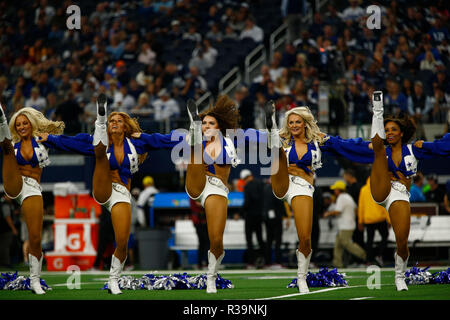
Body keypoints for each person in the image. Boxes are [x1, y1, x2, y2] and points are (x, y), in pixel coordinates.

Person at [39, 94, 182, 294]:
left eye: (118, 121)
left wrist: (190, 134)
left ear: (125, 126)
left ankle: (114, 279)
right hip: (103, 187)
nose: (115, 123)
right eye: (111, 121)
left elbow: (165, 140)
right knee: (99, 149)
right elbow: (71, 142)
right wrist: (51, 139)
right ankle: (99, 118)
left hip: (121, 192)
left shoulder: (137, 143)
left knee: (122, 240)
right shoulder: (96, 141)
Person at [263, 102, 373, 293]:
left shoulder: (318, 139)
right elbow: (247, 139)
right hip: (281, 179)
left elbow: (344, 145)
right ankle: (270, 126)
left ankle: (301, 278)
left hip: (303, 187)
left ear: (305, 123)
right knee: (277, 149)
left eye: (298, 122)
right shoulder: (283, 138)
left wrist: (372, 146)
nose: (294, 125)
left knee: (305, 237)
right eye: (291, 122)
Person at [368, 90, 450, 291]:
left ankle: (399, 276)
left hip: (399, 193)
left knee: (402, 241)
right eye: (386, 130)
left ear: (401, 132)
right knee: (377, 148)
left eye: (393, 130)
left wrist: (427, 143)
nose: (389, 133)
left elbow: (442, 147)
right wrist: (328, 142)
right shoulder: (380, 146)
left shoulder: (414, 149)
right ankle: (377, 108)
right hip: (380, 187)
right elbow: (348, 146)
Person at [0, 105, 64, 294]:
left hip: (32, 188)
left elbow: (64, 143)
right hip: (14, 182)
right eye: (18, 124)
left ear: (31, 124)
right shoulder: (13, 143)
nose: (21, 127)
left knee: (34, 237)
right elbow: (6, 143)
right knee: (7, 147)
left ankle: (34, 280)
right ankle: (1, 118)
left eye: (24, 123)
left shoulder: (42, 139)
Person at [184, 95, 242, 293]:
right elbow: (164, 141)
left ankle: (211, 277)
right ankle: (192, 128)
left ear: (219, 127)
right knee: (194, 147)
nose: (207, 126)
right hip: (197, 181)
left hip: (216, 187)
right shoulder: (195, 143)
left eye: (211, 123)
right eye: (203, 123)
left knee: (216, 240)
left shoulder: (227, 142)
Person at [323, 180, 367, 268]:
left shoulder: (341, 197)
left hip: (346, 226)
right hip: (347, 225)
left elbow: (338, 211)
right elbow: (356, 209)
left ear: (339, 190)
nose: (334, 191)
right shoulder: (348, 196)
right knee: (338, 245)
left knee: (347, 244)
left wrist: (328, 213)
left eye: (335, 189)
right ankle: (337, 264)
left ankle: (364, 255)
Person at [358, 177, 390, 266]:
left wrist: (360, 221)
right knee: (385, 236)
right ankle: (379, 255)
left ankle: (369, 260)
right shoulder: (380, 188)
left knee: (369, 241)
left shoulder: (363, 189)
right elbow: (385, 204)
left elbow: (361, 206)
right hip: (380, 218)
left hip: (368, 219)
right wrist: (389, 220)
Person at [241, 169, 266, 269]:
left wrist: (240, 213)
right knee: (260, 239)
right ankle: (264, 260)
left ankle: (251, 262)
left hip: (250, 216)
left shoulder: (247, 186)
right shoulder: (261, 184)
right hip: (259, 216)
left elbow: (247, 202)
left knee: (249, 240)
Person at [263, 179, 287, 268]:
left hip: (267, 217)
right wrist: (285, 214)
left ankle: (267, 262)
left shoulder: (265, 188)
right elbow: (279, 202)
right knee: (277, 240)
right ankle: (277, 261)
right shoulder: (276, 189)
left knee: (269, 240)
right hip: (276, 217)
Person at [190, 198, 209, 270]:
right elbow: (198, 204)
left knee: (207, 242)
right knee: (203, 242)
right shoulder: (194, 193)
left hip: (205, 220)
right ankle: (201, 263)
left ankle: (205, 263)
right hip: (199, 221)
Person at [0, 194, 18, 268]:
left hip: (3, 228)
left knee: (4, 245)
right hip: (6, 228)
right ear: (4, 196)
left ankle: (5, 262)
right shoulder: (5, 205)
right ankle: (5, 263)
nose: (10, 198)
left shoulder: (7, 204)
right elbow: (7, 217)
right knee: (5, 246)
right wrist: (13, 228)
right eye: (8, 196)